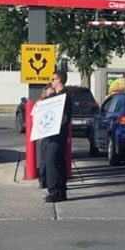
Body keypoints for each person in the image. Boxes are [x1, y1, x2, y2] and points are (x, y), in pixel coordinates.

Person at [43, 69, 72, 203]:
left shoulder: (62, 96)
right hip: (57, 133)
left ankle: (55, 190)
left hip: (57, 133)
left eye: (53, 79)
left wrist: (48, 97)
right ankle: (61, 191)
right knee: (58, 161)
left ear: (59, 80)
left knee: (51, 160)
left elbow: (63, 116)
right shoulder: (59, 95)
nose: (51, 81)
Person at [34, 83, 54, 189]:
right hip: (44, 134)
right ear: (45, 91)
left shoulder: (56, 102)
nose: (52, 92)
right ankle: (43, 179)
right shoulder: (40, 103)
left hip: (55, 134)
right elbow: (33, 118)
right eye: (50, 90)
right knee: (45, 158)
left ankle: (50, 179)